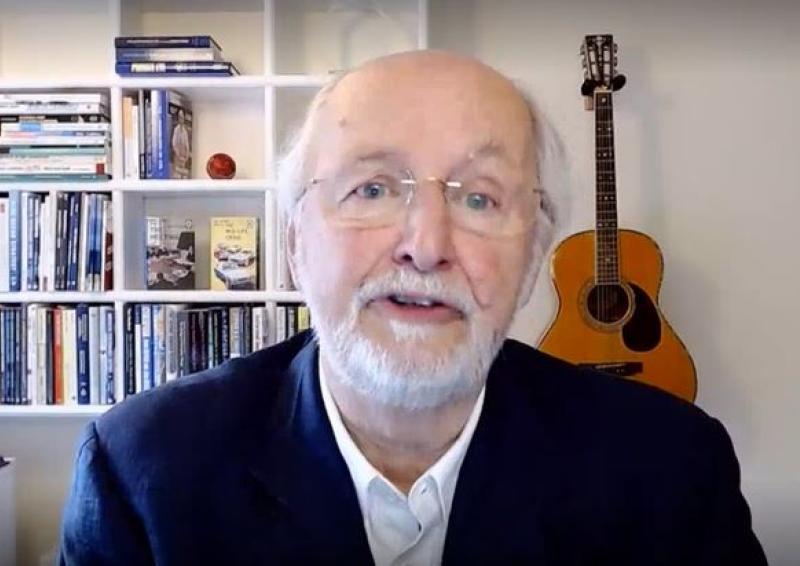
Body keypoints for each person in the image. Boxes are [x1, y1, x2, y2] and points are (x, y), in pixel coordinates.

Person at [59, 50, 766, 565]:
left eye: (480, 197)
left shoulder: (671, 471)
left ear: (533, 256)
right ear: (294, 242)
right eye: (371, 189)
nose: (426, 246)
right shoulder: (144, 471)